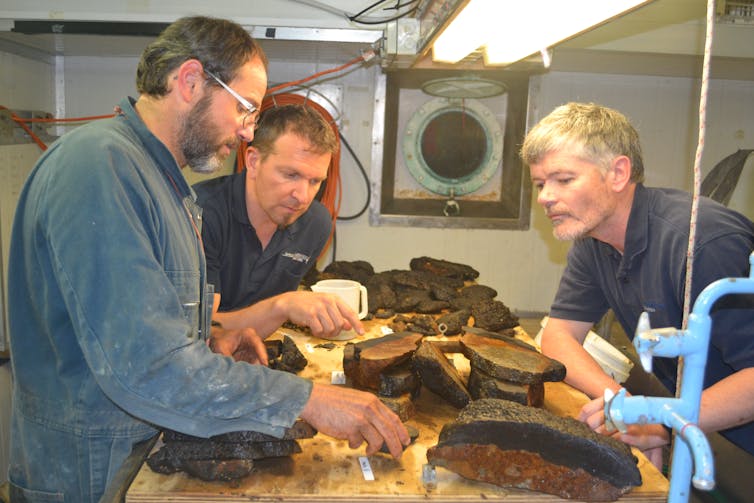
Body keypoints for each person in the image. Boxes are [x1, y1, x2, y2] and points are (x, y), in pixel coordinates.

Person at [7, 16, 408, 503]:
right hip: (87, 472)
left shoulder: (164, 185)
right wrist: (309, 399)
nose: (245, 133)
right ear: (190, 80)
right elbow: (147, 367)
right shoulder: (99, 168)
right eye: (244, 109)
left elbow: (143, 331)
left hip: (131, 451)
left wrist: (210, 341)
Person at [519, 102, 754, 468]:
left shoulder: (702, 242)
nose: (545, 197)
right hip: (706, 432)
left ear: (618, 173)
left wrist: (658, 420)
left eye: (563, 180)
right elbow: (559, 336)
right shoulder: (593, 241)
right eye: (540, 184)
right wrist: (625, 407)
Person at [193, 104, 362, 341]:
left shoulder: (316, 224)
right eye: (291, 175)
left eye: (315, 181)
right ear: (253, 161)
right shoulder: (200, 213)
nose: (302, 197)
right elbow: (201, 330)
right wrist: (283, 306)